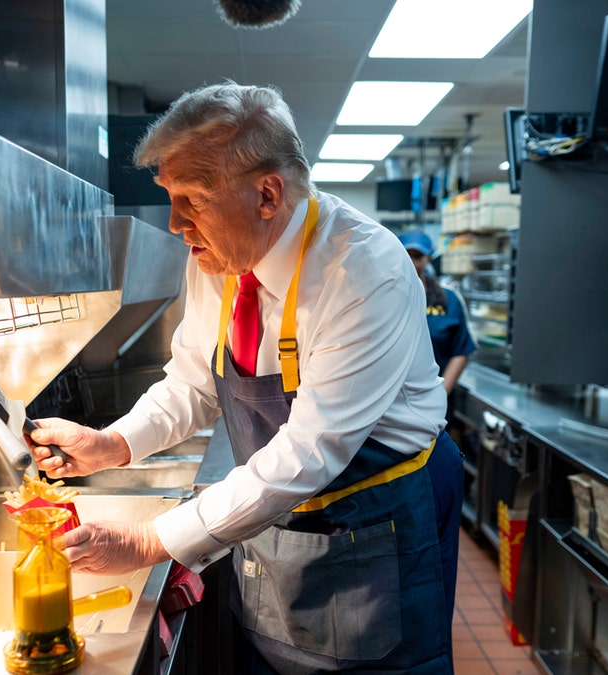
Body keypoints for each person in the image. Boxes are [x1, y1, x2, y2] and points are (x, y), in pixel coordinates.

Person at [28, 82, 462, 673]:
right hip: (278, 511)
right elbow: (192, 383)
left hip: (376, 515)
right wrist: (113, 444)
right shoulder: (220, 254)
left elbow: (311, 451)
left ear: (267, 194)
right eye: (170, 196)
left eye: (194, 198)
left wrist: (149, 540)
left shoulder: (362, 269)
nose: (177, 223)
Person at [397, 230, 477, 398]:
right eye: (406, 255)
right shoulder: (386, 298)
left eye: (417, 256)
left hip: (436, 402)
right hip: (392, 403)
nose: (412, 262)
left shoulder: (450, 299)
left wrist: (438, 397)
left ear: (428, 259)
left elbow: (460, 351)